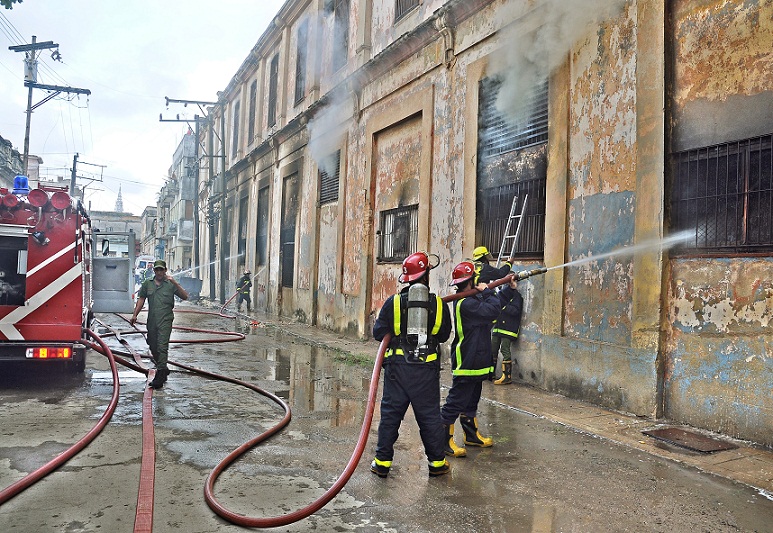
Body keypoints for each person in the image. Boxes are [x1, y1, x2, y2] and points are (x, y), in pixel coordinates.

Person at [371, 251, 453, 478]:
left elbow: (379, 333)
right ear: (426, 275)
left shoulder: (393, 303)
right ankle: (437, 464)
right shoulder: (437, 304)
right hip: (426, 371)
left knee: (390, 416)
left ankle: (382, 463)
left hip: (398, 369)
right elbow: (444, 334)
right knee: (429, 417)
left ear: (406, 278)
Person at [441, 260, 502, 458]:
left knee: (471, 400)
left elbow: (492, 309)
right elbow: (491, 310)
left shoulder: (471, 299)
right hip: (467, 359)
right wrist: (488, 291)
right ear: (471, 280)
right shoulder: (466, 303)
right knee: (455, 402)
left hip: (477, 358)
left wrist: (508, 290)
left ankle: (471, 436)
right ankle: (443, 442)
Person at [130, 259, 189, 389]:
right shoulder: (147, 284)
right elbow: (141, 299)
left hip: (165, 320)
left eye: (161, 269)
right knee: (152, 344)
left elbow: (185, 296)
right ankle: (163, 367)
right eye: (157, 269)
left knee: (162, 346)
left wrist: (174, 282)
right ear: (154, 271)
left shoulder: (170, 284)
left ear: (165, 270)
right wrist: (135, 314)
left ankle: (160, 375)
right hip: (152, 320)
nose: (159, 272)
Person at [492, 277, 523, 385]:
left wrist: (503, 306)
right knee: (492, 349)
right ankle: (490, 373)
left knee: (504, 349)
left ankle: (507, 376)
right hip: (498, 327)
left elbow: (515, 311)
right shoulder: (501, 294)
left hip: (508, 329)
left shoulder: (517, 297)